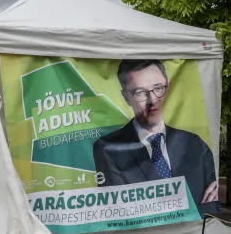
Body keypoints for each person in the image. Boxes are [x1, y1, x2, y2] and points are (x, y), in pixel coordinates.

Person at [92, 59, 218, 215]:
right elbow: (120, 210)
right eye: (140, 92)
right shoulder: (107, 148)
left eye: (158, 88)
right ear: (126, 97)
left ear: (168, 87)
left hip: (192, 231)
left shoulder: (195, 144)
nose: (153, 101)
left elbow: (211, 205)